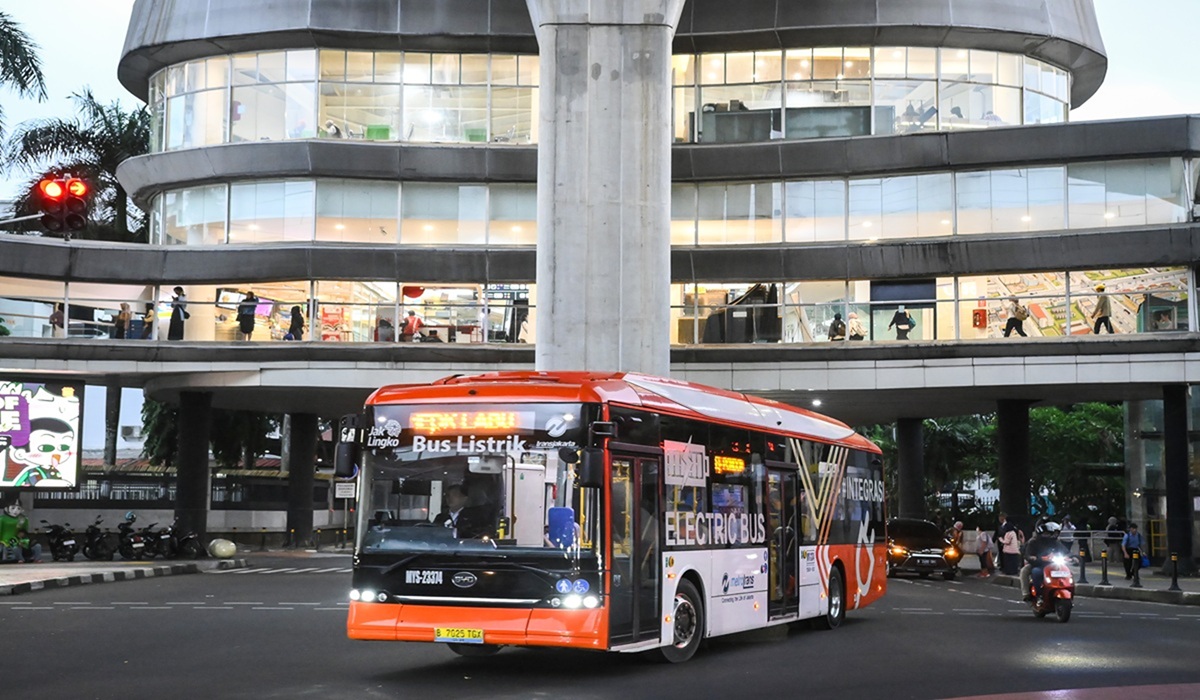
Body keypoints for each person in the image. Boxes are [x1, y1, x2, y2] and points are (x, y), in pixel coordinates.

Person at [1020, 521, 1071, 602]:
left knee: (1067, 572)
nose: (1055, 535)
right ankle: (1037, 594)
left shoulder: (1055, 542)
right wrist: (1036, 558)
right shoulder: (1033, 541)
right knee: (1033, 572)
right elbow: (1028, 554)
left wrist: (1072, 557)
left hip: (1054, 565)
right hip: (1038, 565)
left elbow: (1065, 551)